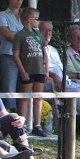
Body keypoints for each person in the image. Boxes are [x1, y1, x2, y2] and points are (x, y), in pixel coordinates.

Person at [12, 7, 49, 136]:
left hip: (39, 69)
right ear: (29, 20)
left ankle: (37, 125)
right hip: (27, 69)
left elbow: (45, 52)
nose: (38, 22)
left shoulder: (39, 35)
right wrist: (22, 71)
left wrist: (46, 69)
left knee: (38, 97)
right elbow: (16, 54)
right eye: (36, 19)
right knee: (25, 97)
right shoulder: (20, 35)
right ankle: (20, 125)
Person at [0, 0, 26, 106]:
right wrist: (25, 37)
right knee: (9, 89)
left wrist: (18, 36)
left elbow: (35, 33)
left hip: (25, 57)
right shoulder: (1, 15)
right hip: (8, 55)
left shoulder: (26, 15)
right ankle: (8, 120)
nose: (18, 0)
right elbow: (6, 33)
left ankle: (23, 120)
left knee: (25, 89)